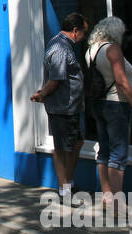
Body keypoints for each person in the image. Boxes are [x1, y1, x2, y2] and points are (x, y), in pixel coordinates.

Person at [31, 12, 90, 207]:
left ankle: (69, 184)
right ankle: (65, 190)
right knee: (63, 149)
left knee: (76, 143)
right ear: (75, 31)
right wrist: (42, 94)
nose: (84, 37)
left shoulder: (61, 44)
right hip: (63, 107)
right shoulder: (60, 48)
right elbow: (55, 80)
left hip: (70, 106)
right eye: (83, 32)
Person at [85, 16, 132, 203]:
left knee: (104, 150)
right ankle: (117, 202)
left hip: (98, 103)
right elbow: (121, 81)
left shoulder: (91, 51)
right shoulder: (112, 49)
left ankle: (107, 196)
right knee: (118, 153)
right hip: (117, 103)